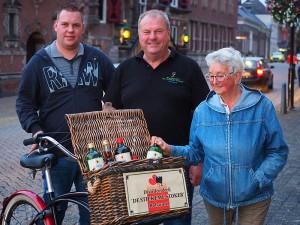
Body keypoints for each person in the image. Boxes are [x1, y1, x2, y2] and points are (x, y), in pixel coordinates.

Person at [151, 47, 289, 225]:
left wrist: (259, 178)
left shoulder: (261, 107)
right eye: (211, 75)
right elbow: (195, 152)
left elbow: (278, 151)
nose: (214, 81)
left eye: (220, 75)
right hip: (215, 195)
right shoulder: (203, 110)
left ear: (237, 76)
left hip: (255, 194)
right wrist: (169, 149)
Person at [103, 9, 209, 225]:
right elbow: (109, 110)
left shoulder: (188, 68)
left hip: (177, 163)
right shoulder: (124, 69)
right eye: (147, 32)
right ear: (139, 35)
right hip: (135, 166)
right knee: (140, 221)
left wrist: (198, 161)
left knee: (177, 222)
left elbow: (204, 118)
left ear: (168, 33)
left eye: (158, 31)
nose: (152, 37)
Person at [16, 2, 115, 225]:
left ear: (82, 28)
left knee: (94, 215)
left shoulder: (97, 59)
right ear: (56, 26)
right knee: (54, 213)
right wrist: (36, 130)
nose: (70, 29)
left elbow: (117, 92)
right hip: (56, 152)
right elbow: (24, 103)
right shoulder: (38, 62)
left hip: (93, 154)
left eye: (75, 25)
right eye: (65, 24)